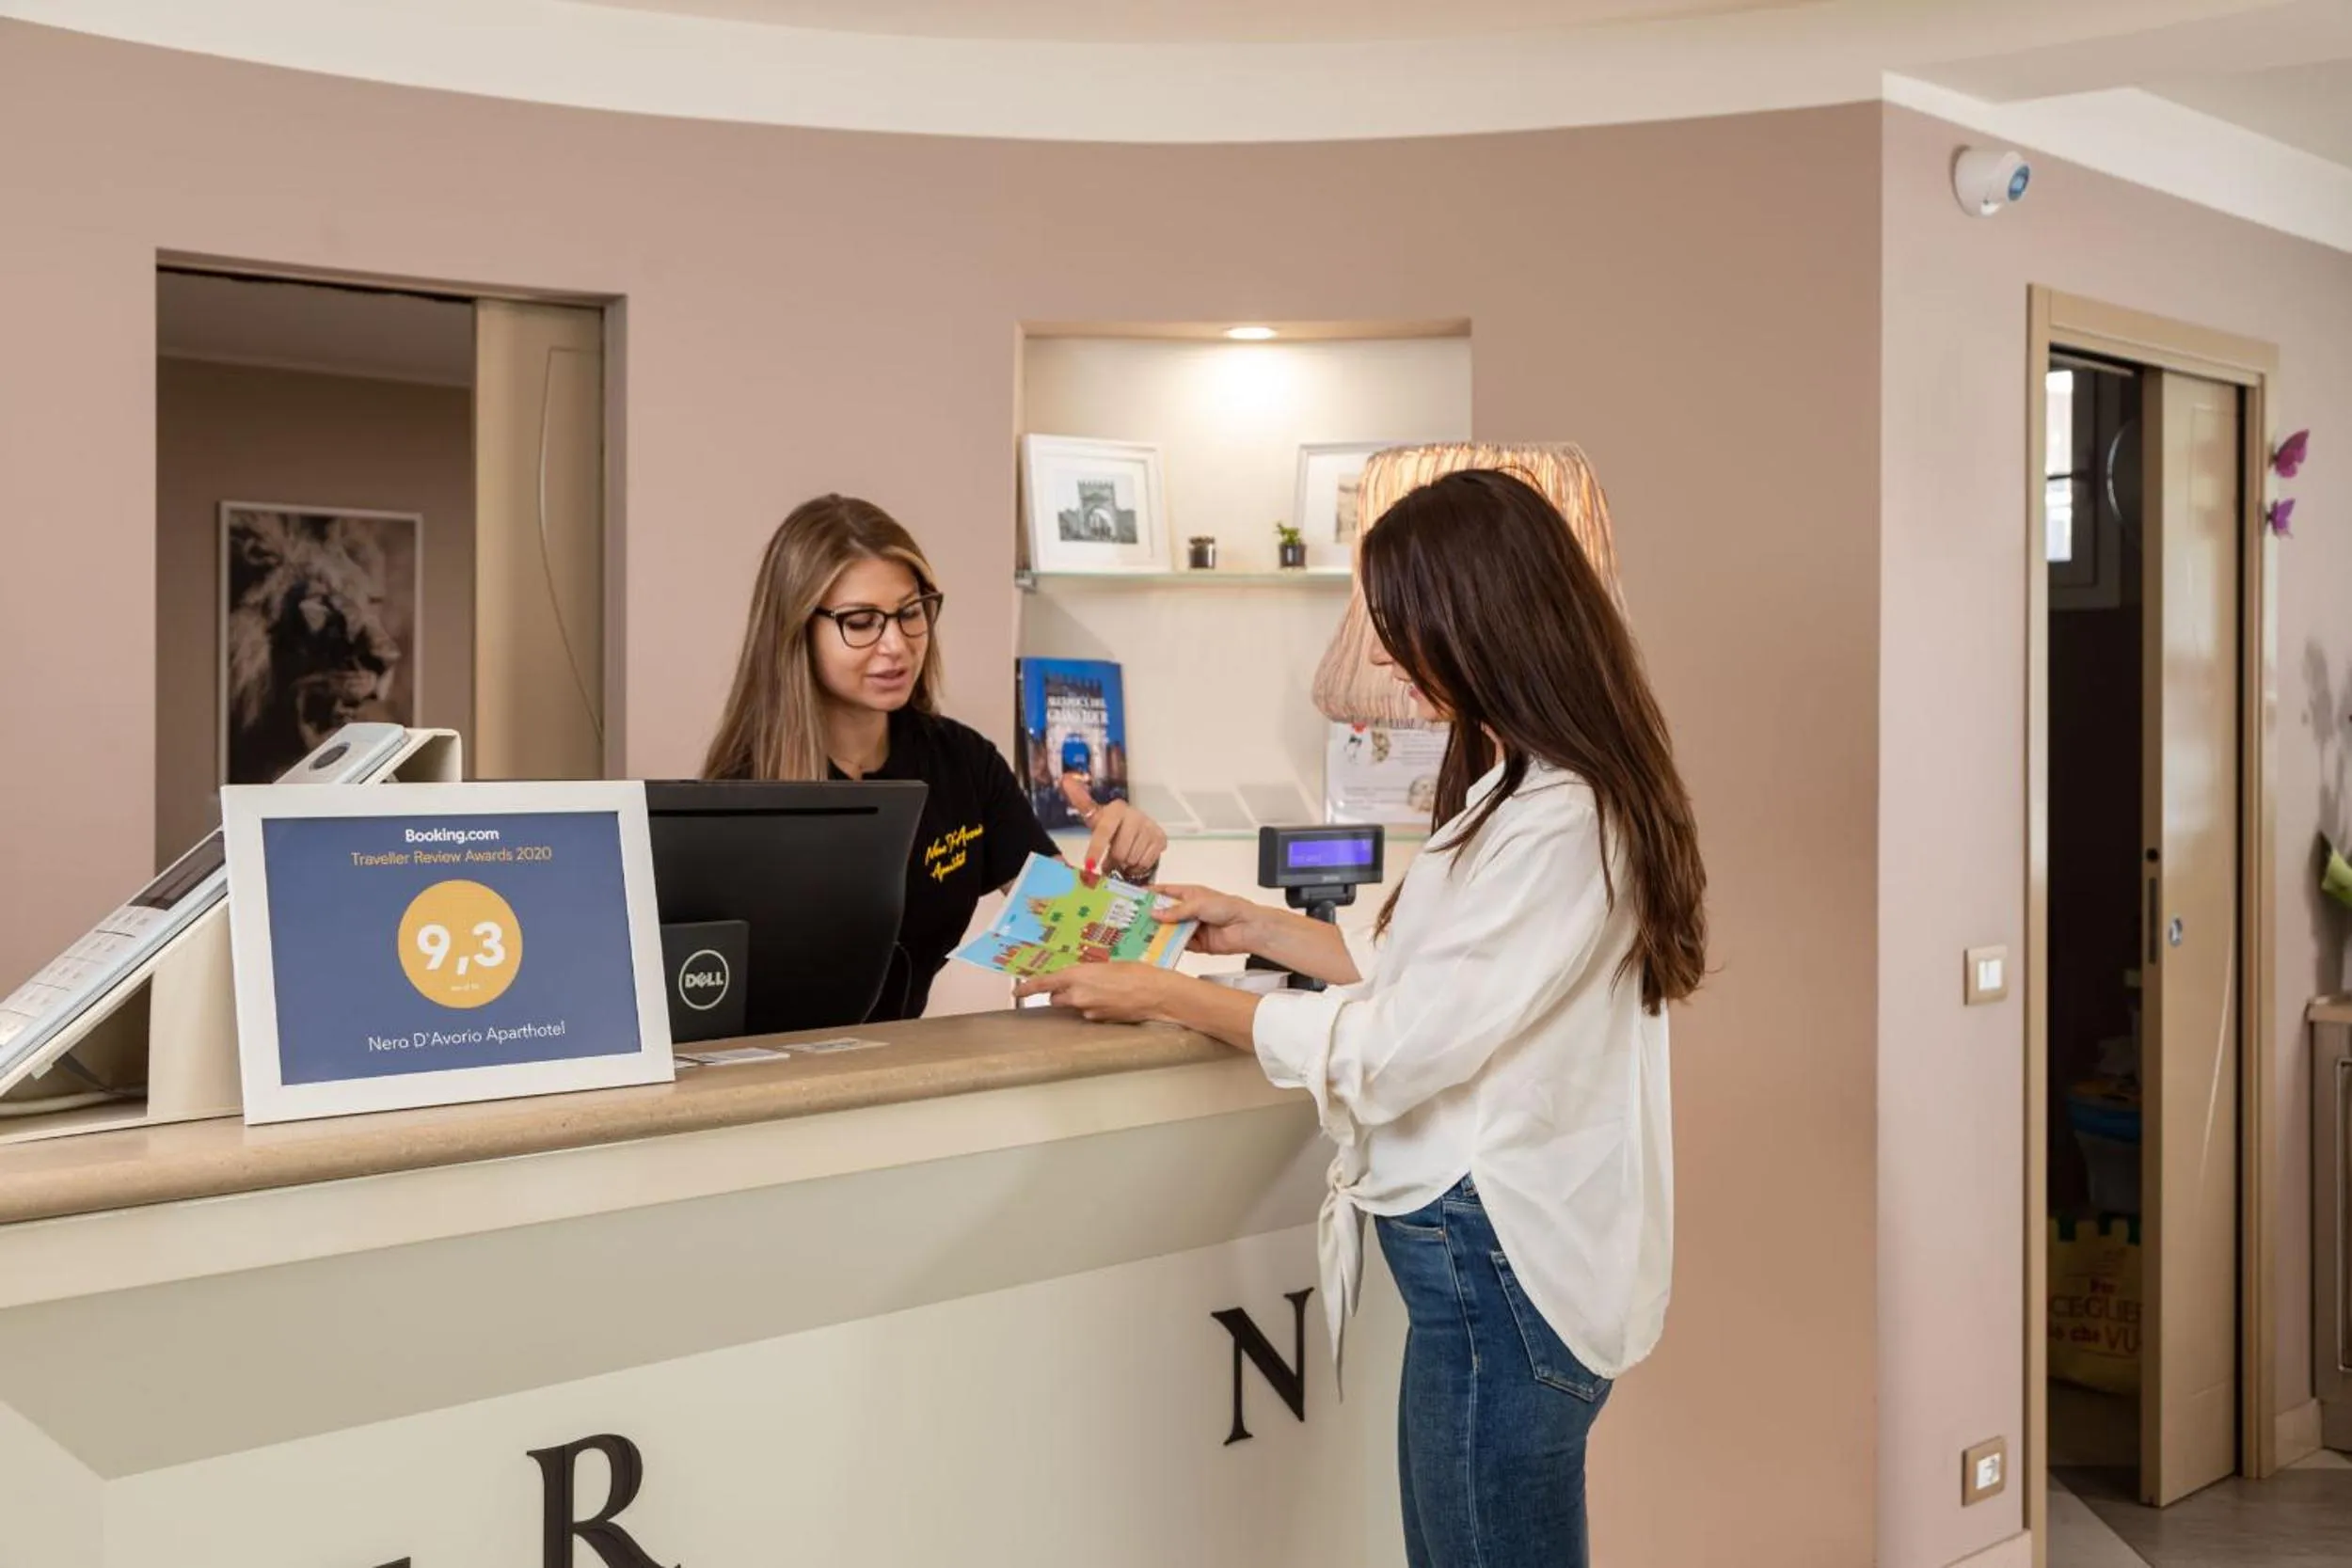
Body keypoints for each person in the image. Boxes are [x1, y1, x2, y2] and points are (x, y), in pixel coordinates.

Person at [1016, 468, 1707, 1568]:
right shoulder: (1524, 791)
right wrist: (1248, 925)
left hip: (1499, 1273)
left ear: (1480, 618)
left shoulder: (1560, 818)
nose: (1386, 656)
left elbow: (1395, 1047)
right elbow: (1421, 971)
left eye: (1401, 626)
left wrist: (1162, 992)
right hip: (1487, 1273)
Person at [703, 494, 1168, 1019]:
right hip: (774, 1088)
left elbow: (1078, 951)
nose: (896, 645)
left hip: (908, 1076)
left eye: (909, 613)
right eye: (860, 622)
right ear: (796, 631)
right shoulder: (737, 797)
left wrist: (1132, 871)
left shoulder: (963, 763)